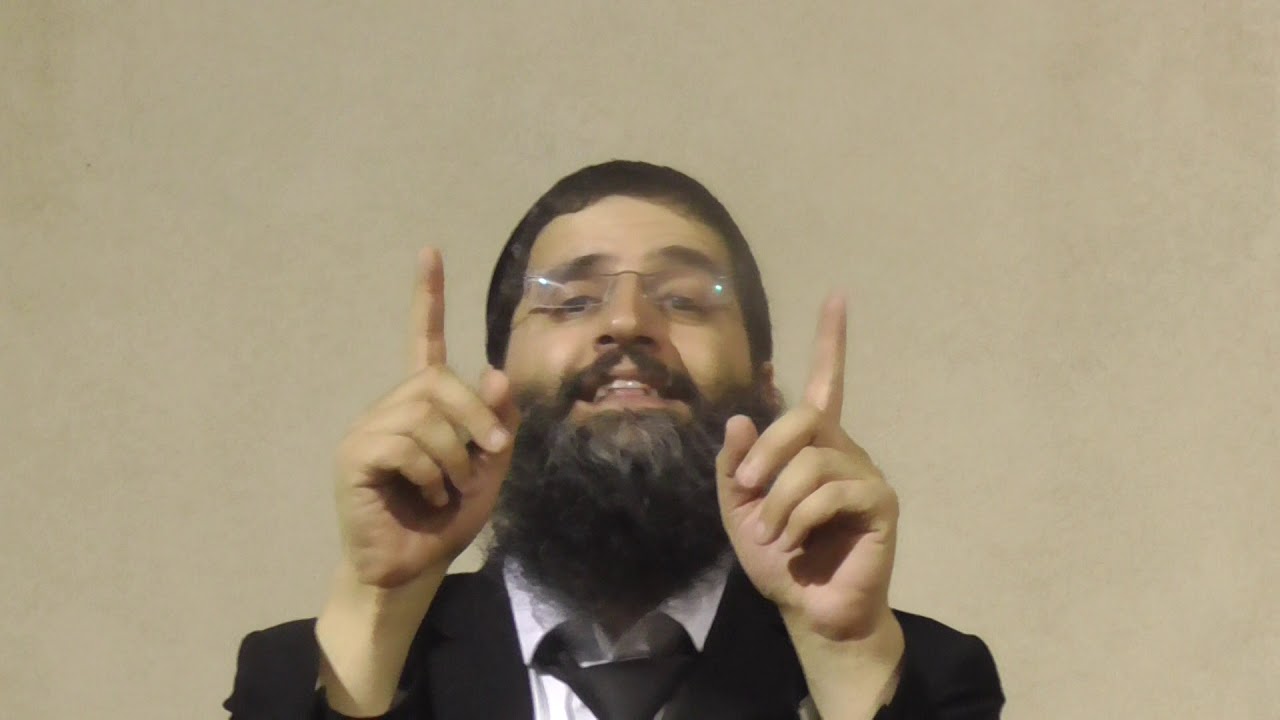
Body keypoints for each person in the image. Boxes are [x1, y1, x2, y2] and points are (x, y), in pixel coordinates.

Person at [225, 161, 1004, 719]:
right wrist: (378, 604)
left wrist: (841, 652)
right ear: (493, 384)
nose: (627, 323)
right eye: (570, 302)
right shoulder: (310, 674)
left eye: (685, 300)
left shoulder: (920, 677)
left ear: (767, 388)